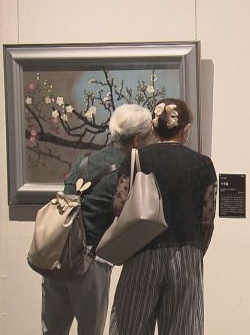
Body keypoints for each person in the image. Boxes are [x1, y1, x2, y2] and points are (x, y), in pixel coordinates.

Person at [41, 104, 154, 335]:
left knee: (52, 330)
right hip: (90, 262)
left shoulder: (84, 161)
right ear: (136, 140)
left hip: (57, 256)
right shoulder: (127, 170)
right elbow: (126, 216)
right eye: (149, 136)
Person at [109, 98, 217, 335]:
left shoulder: (138, 158)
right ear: (186, 129)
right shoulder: (203, 164)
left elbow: (118, 205)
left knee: (129, 326)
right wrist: (197, 250)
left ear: (154, 129)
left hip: (142, 252)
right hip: (186, 254)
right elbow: (207, 219)